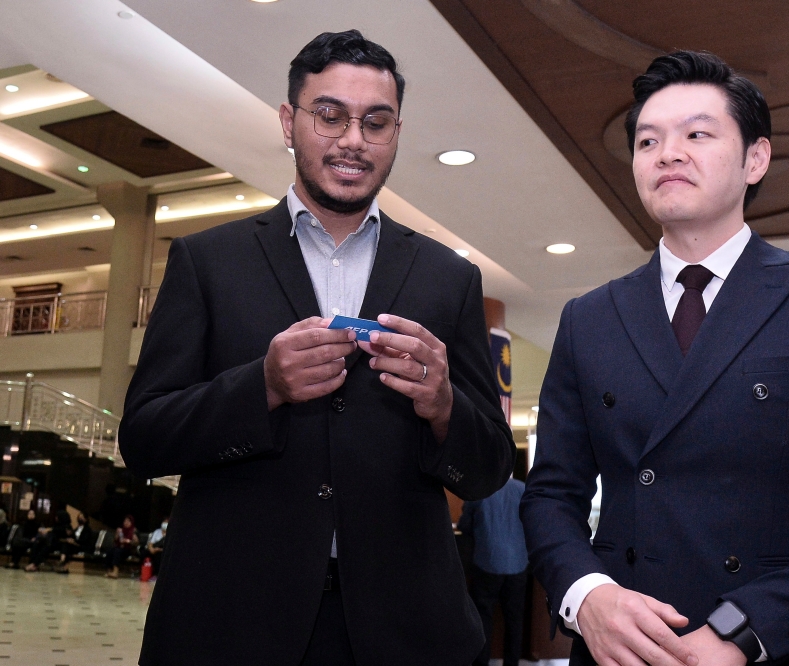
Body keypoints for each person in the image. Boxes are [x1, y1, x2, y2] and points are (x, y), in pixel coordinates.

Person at [520, 50, 789, 666]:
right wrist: (588, 598)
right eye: (647, 141)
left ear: (755, 158)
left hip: (785, 644)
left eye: (696, 134)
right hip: (628, 647)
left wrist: (747, 630)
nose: (667, 153)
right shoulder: (589, 317)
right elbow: (551, 495)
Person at [119, 29, 514, 666]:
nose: (353, 140)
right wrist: (264, 387)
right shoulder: (208, 262)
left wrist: (444, 406)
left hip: (405, 630)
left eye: (375, 122)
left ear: (395, 134)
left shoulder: (450, 278)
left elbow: (493, 465)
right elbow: (142, 437)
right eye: (329, 116)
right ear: (289, 121)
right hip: (231, 623)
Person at [458, 477, 530, 666]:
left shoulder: (480, 489)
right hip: (518, 564)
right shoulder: (524, 490)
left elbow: (464, 525)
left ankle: (482, 663)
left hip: (487, 562)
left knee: (483, 618)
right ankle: (512, 663)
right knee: (514, 621)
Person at [105, 514, 139, 579]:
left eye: (128, 521)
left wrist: (128, 541)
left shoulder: (134, 531)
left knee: (117, 551)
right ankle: (109, 571)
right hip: (120, 548)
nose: (126, 523)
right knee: (110, 551)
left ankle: (115, 572)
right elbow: (115, 540)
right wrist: (117, 534)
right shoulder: (121, 530)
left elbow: (136, 543)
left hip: (128, 549)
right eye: (125, 521)